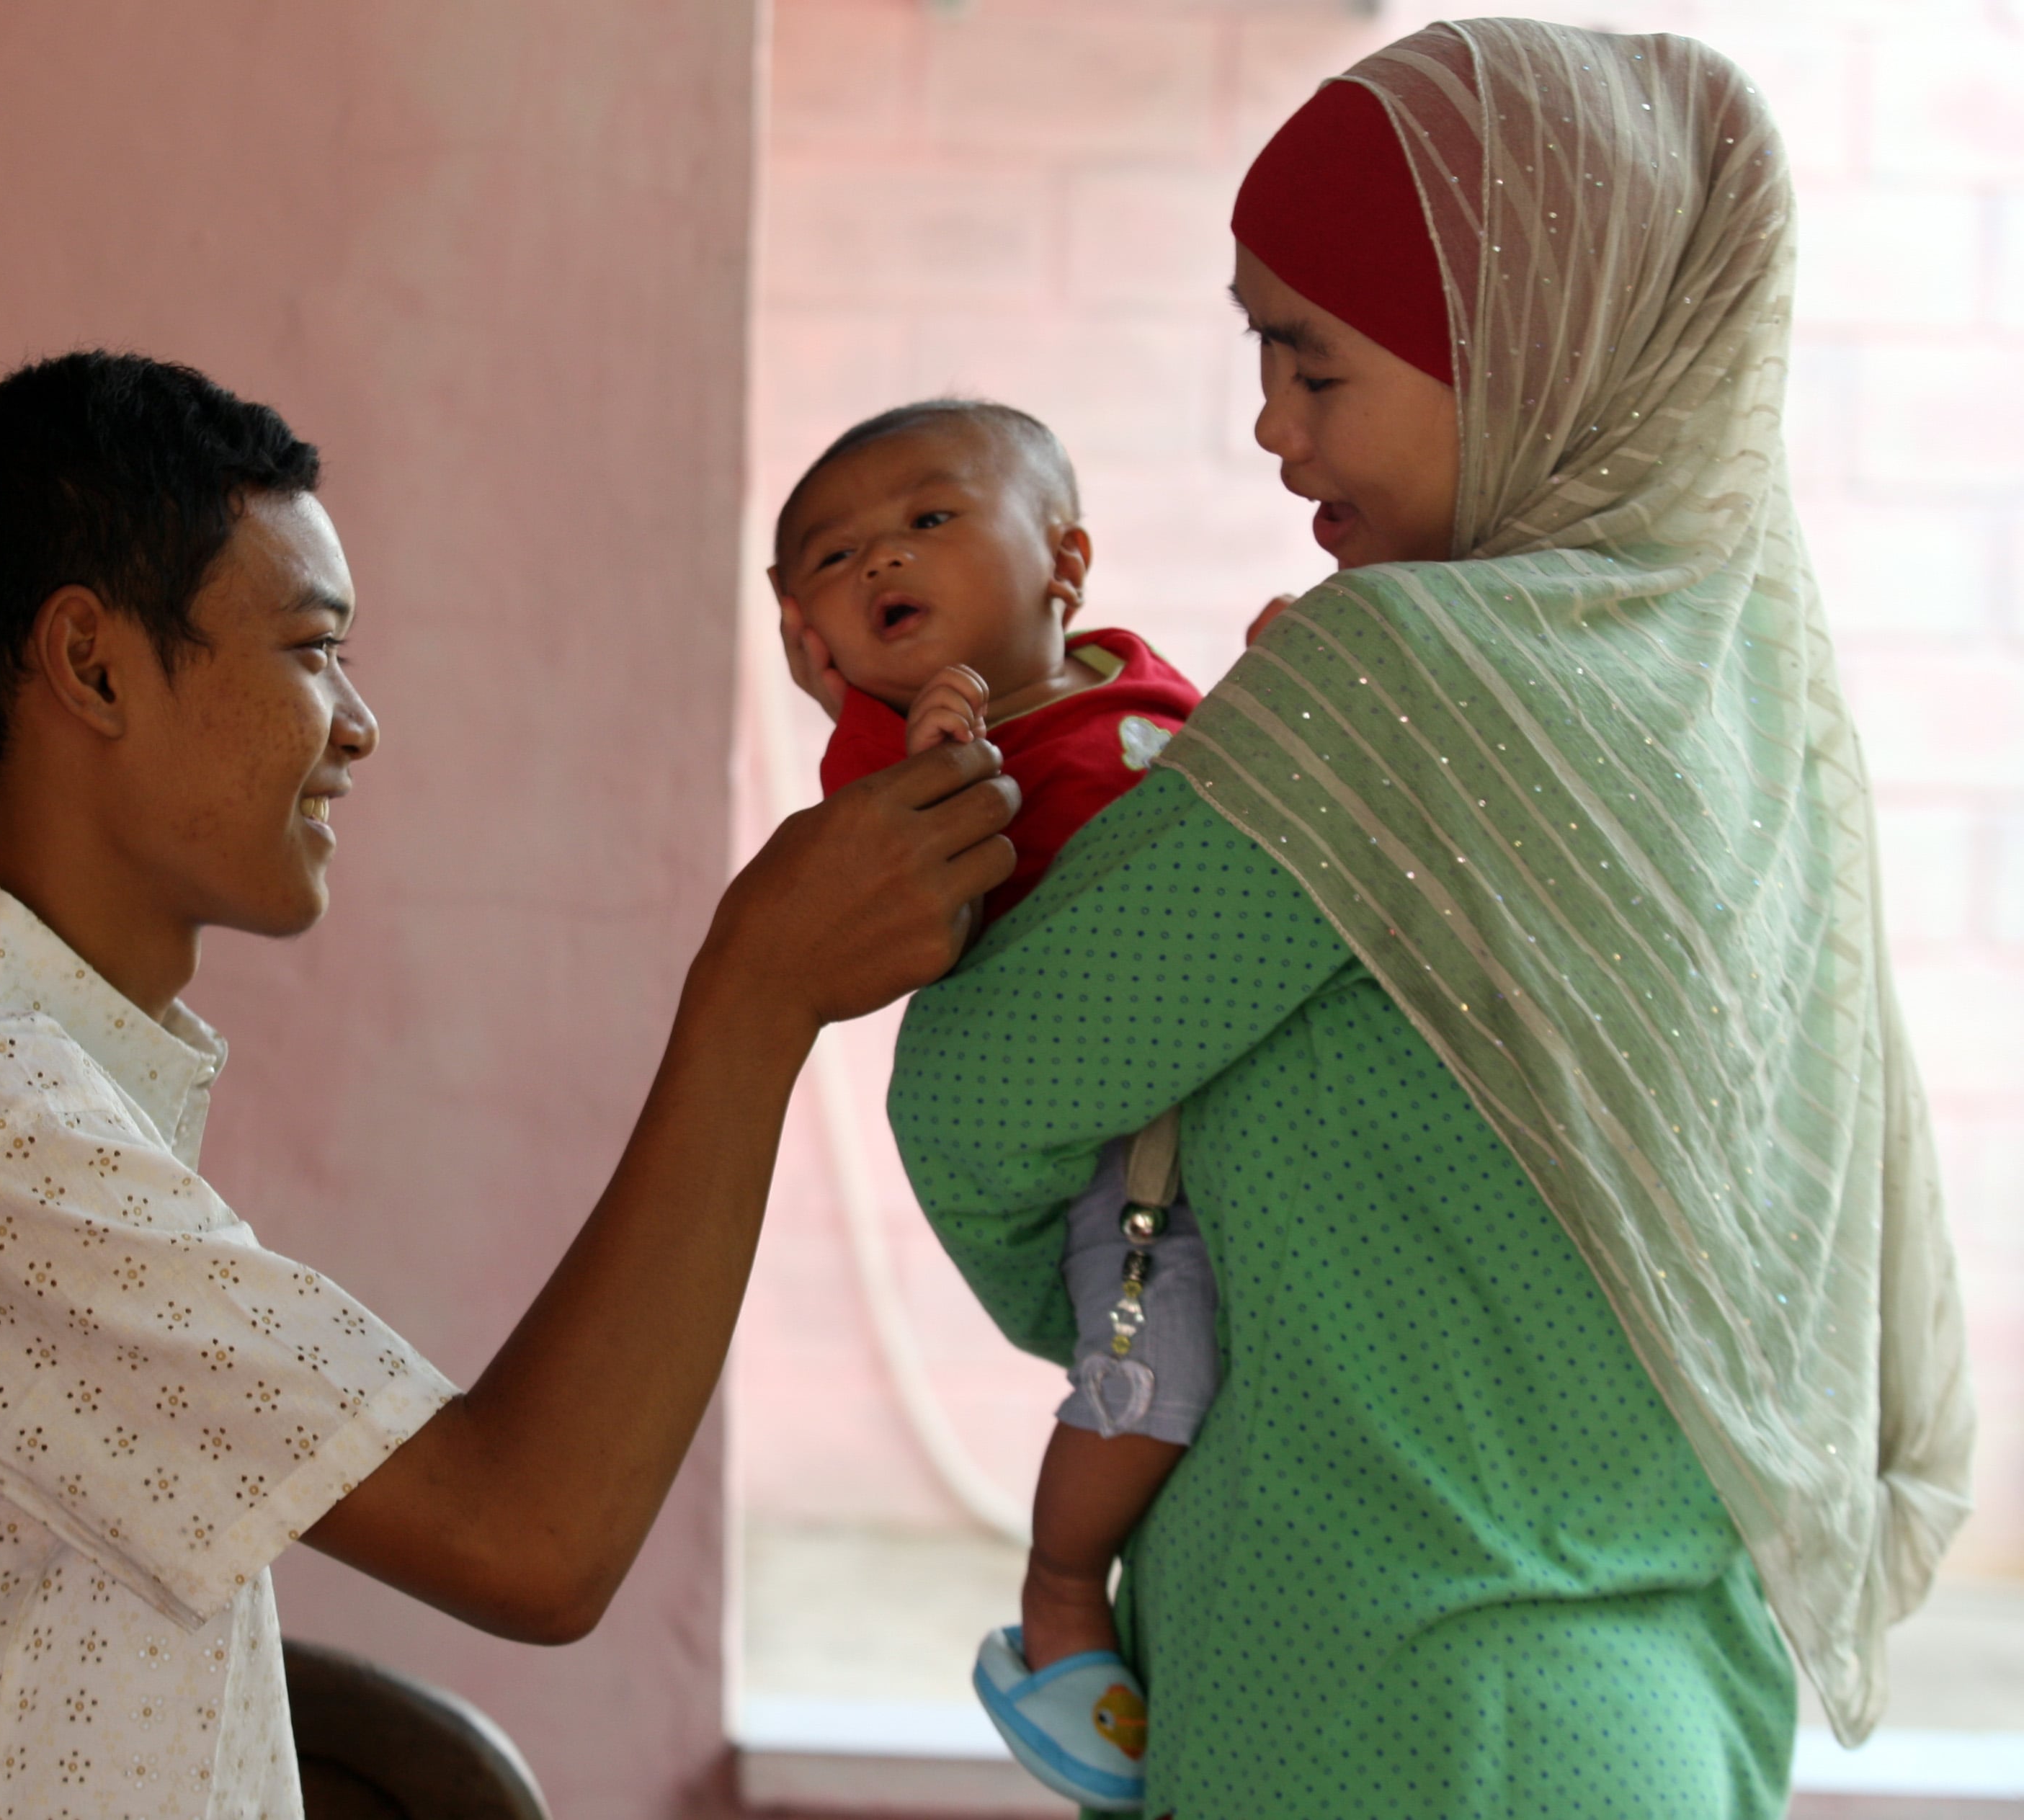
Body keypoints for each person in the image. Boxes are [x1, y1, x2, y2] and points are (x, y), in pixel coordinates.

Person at [816, 22, 1974, 1818]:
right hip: (1673, 1713)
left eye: (1310, 359)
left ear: (1511, 355)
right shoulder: (1750, 707)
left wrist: (1188, 1331)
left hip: (1383, 1702)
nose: (1267, 425)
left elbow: (979, 1095)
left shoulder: (1398, 690)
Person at [0, 352, 1020, 1820]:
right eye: (310, 649)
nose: (356, 724)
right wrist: (755, 996)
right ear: (92, 665)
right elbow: (538, 1537)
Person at [769, 398, 1214, 1808]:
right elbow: (923, 933)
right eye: (834, 560)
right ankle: (1063, 1595)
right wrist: (928, 764)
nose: (882, 561)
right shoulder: (884, 762)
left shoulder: (1145, 689)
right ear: (811, 639)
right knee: (1156, 1382)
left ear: (1064, 564)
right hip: (1130, 1167)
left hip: (1246, 1108)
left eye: (929, 520)